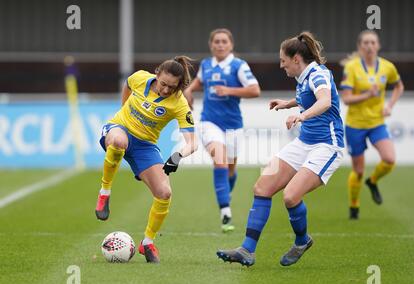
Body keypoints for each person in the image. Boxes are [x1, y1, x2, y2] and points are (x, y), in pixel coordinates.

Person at [216, 31, 344, 267]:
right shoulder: (304, 76)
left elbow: (325, 100)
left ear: (296, 58)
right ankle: (247, 250)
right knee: (262, 186)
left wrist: (301, 115)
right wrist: (289, 103)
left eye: (283, 60)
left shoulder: (317, 74)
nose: (281, 64)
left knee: (291, 196)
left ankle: (302, 241)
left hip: (327, 146)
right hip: (304, 143)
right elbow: (310, 97)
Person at [94, 56, 198, 263]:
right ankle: (104, 192)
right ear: (156, 74)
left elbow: (192, 143)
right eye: (163, 84)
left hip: (145, 145)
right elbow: (127, 84)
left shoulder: (179, 103)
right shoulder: (140, 78)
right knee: (118, 143)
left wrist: (176, 157)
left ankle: (148, 243)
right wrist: (122, 109)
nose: (166, 90)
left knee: (164, 193)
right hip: (119, 129)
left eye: (172, 87)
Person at [184, 28, 261, 232]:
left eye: (224, 41)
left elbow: (255, 90)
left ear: (231, 45)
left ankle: (226, 193)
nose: (220, 45)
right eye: (216, 41)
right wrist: (189, 90)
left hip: (234, 125)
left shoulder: (238, 66)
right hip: (209, 122)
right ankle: (225, 211)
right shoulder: (206, 65)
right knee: (220, 159)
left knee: (230, 169)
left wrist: (230, 90)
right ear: (211, 45)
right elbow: (200, 81)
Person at [340, 30, 404, 220]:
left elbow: (399, 86)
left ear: (378, 46)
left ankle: (373, 181)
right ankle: (354, 206)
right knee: (358, 171)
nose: (369, 46)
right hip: (355, 125)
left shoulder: (387, 67)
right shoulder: (351, 68)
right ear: (360, 46)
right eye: (366, 43)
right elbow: (346, 99)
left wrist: (389, 105)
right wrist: (368, 95)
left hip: (377, 123)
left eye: (372, 42)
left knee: (389, 159)